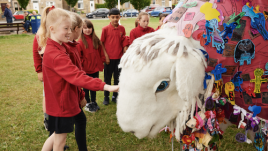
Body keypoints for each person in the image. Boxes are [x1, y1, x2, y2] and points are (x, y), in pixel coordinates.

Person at [39, 6, 118, 151]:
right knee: (59, 142)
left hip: (60, 103)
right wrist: (106, 86)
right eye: (66, 28)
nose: (69, 32)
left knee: (57, 136)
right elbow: (77, 76)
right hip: (61, 106)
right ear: (52, 28)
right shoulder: (56, 54)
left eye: (70, 28)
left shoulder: (60, 47)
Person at [77, 19, 107, 112]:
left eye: (89, 27)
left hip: (95, 68)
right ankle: (88, 103)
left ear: (92, 28)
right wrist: (84, 63)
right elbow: (78, 56)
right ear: (82, 29)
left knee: (94, 86)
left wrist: (102, 60)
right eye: (85, 28)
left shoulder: (96, 39)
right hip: (86, 69)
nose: (87, 30)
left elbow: (100, 51)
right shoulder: (80, 41)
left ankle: (93, 101)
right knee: (86, 87)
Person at [100, 8, 129, 105]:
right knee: (107, 79)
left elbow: (124, 40)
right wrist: (106, 56)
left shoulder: (122, 29)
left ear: (120, 17)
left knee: (117, 78)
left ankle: (115, 96)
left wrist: (125, 48)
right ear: (109, 17)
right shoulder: (105, 29)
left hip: (119, 58)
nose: (115, 19)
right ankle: (106, 97)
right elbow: (102, 43)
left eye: (117, 17)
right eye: (113, 17)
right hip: (109, 59)